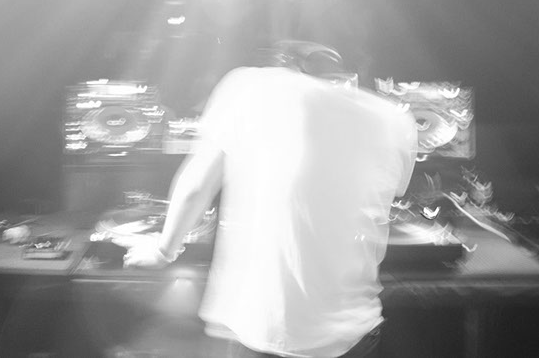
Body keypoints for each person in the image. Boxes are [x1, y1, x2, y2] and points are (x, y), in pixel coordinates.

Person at [116, 38, 416, 358]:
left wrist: (162, 251)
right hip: (354, 333)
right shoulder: (394, 119)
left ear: (290, 59)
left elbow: (195, 187)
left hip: (267, 332)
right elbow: (390, 194)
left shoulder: (249, 87)